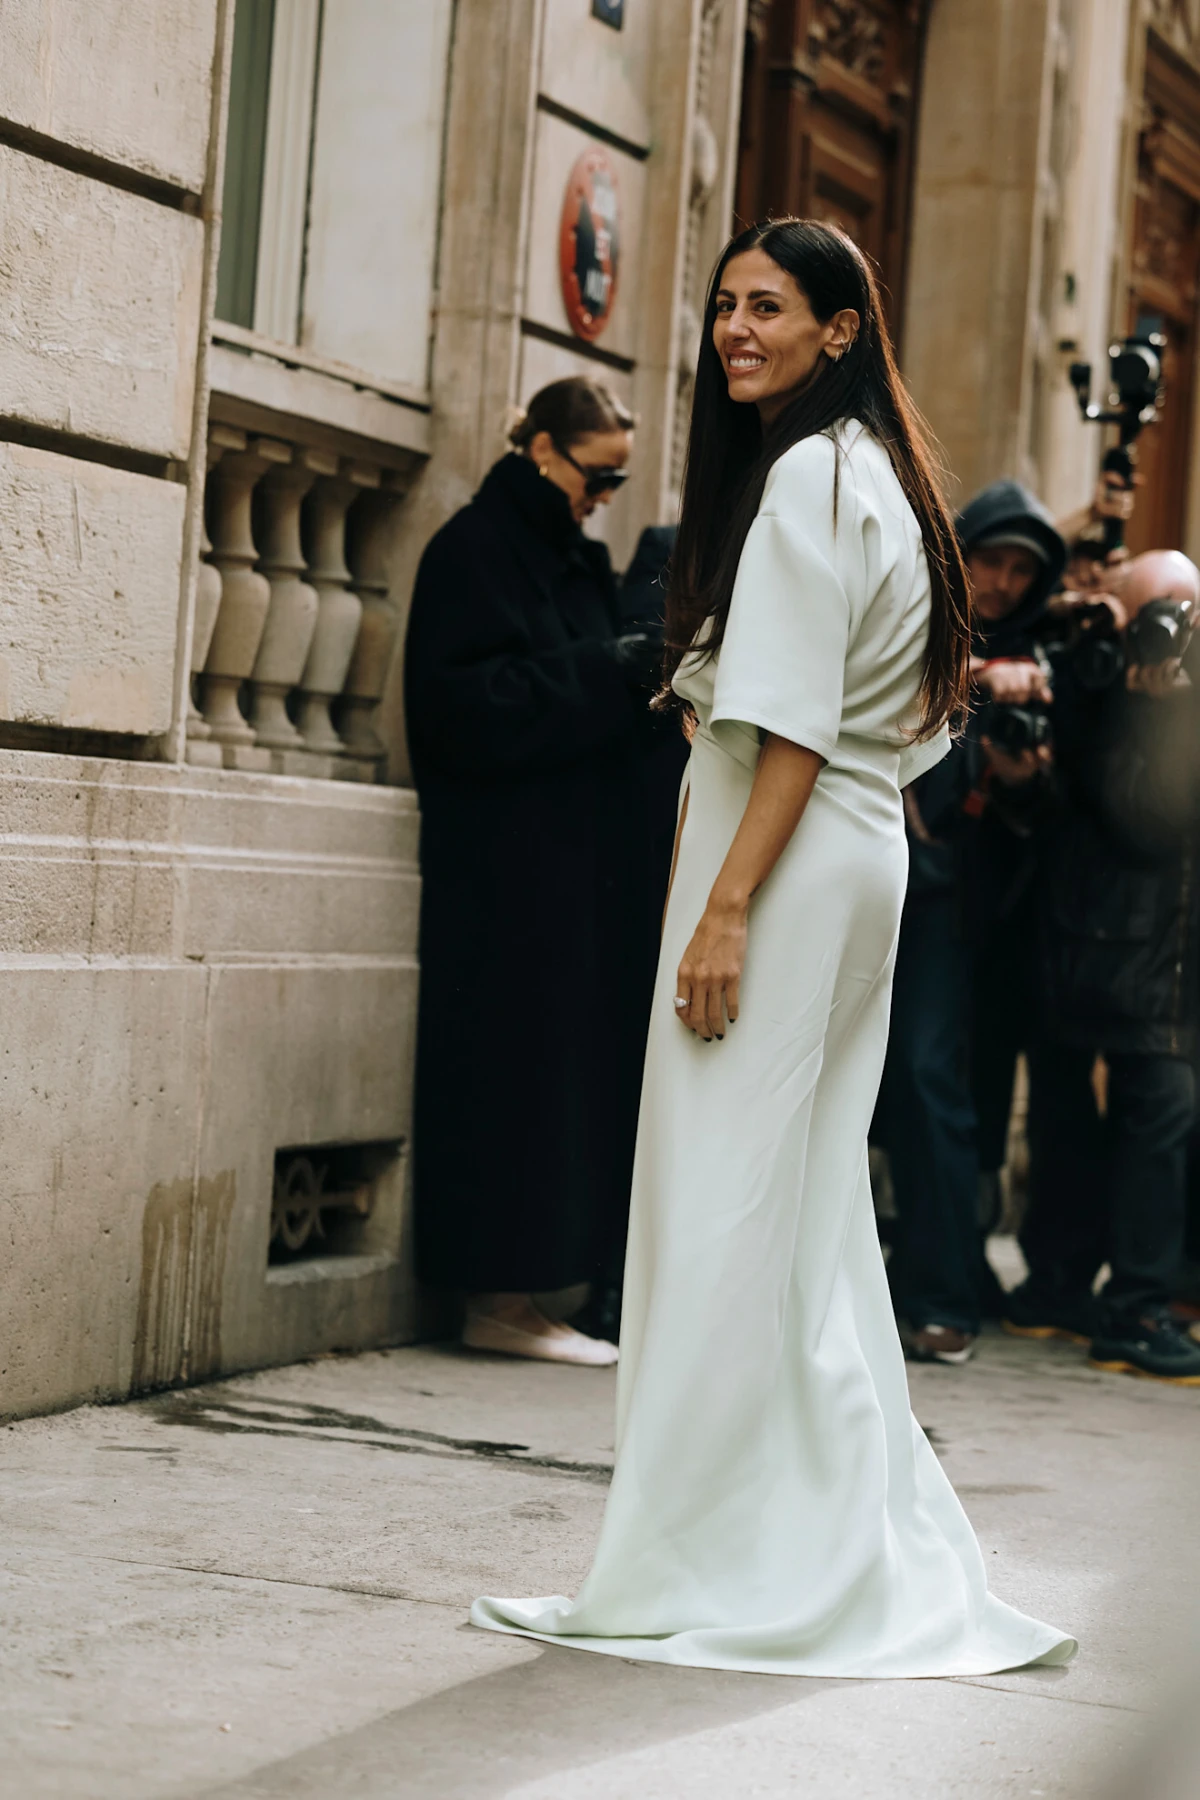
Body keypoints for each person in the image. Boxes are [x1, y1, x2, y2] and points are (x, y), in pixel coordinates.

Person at [472, 219, 1074, 1675]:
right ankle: (811, 1539)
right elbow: (901, 724)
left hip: (789, 865)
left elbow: (794, 723)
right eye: (726, 303)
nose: (737, 328)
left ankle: (702, 1559)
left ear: (840, 330)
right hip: (847, 855)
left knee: (720, 1215)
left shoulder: (812, 475)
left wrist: (728, 900)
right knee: (798, 1221)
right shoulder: (881, 476)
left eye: (771, 307)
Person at [405, 376, 660, 1367]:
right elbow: (460, 710)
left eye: (618, 481)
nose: (604, 497)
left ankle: (536, 1294)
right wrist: (607, 669)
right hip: (502, 880)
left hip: (573, 876)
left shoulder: (570, 557)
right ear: (543, 451)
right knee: (505, 1079)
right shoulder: (473, 550)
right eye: (598, 475)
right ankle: (497, 1298)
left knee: (559, 1084)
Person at [876, 485, 1065, 1365]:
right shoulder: (911, 615)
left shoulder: (1045, 659)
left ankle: (940, 1297)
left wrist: (1023, 779)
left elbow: (1045, 809)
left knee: (928, 1083)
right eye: (991, 559)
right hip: (861, 871)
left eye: (1022, 570)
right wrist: (976, 679)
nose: (1002, 582)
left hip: (949, 908)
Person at [1007, 551, 1200, 1383]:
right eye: (1148, 614)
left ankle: (1075, 1289)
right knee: (1123, 1116)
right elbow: (1146, 816)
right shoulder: (1091, 683)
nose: (1164, 634)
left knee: (1128, 1115)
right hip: (1110, 947)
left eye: (1179, 616)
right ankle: (1126, 1309)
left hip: (1143, 950)